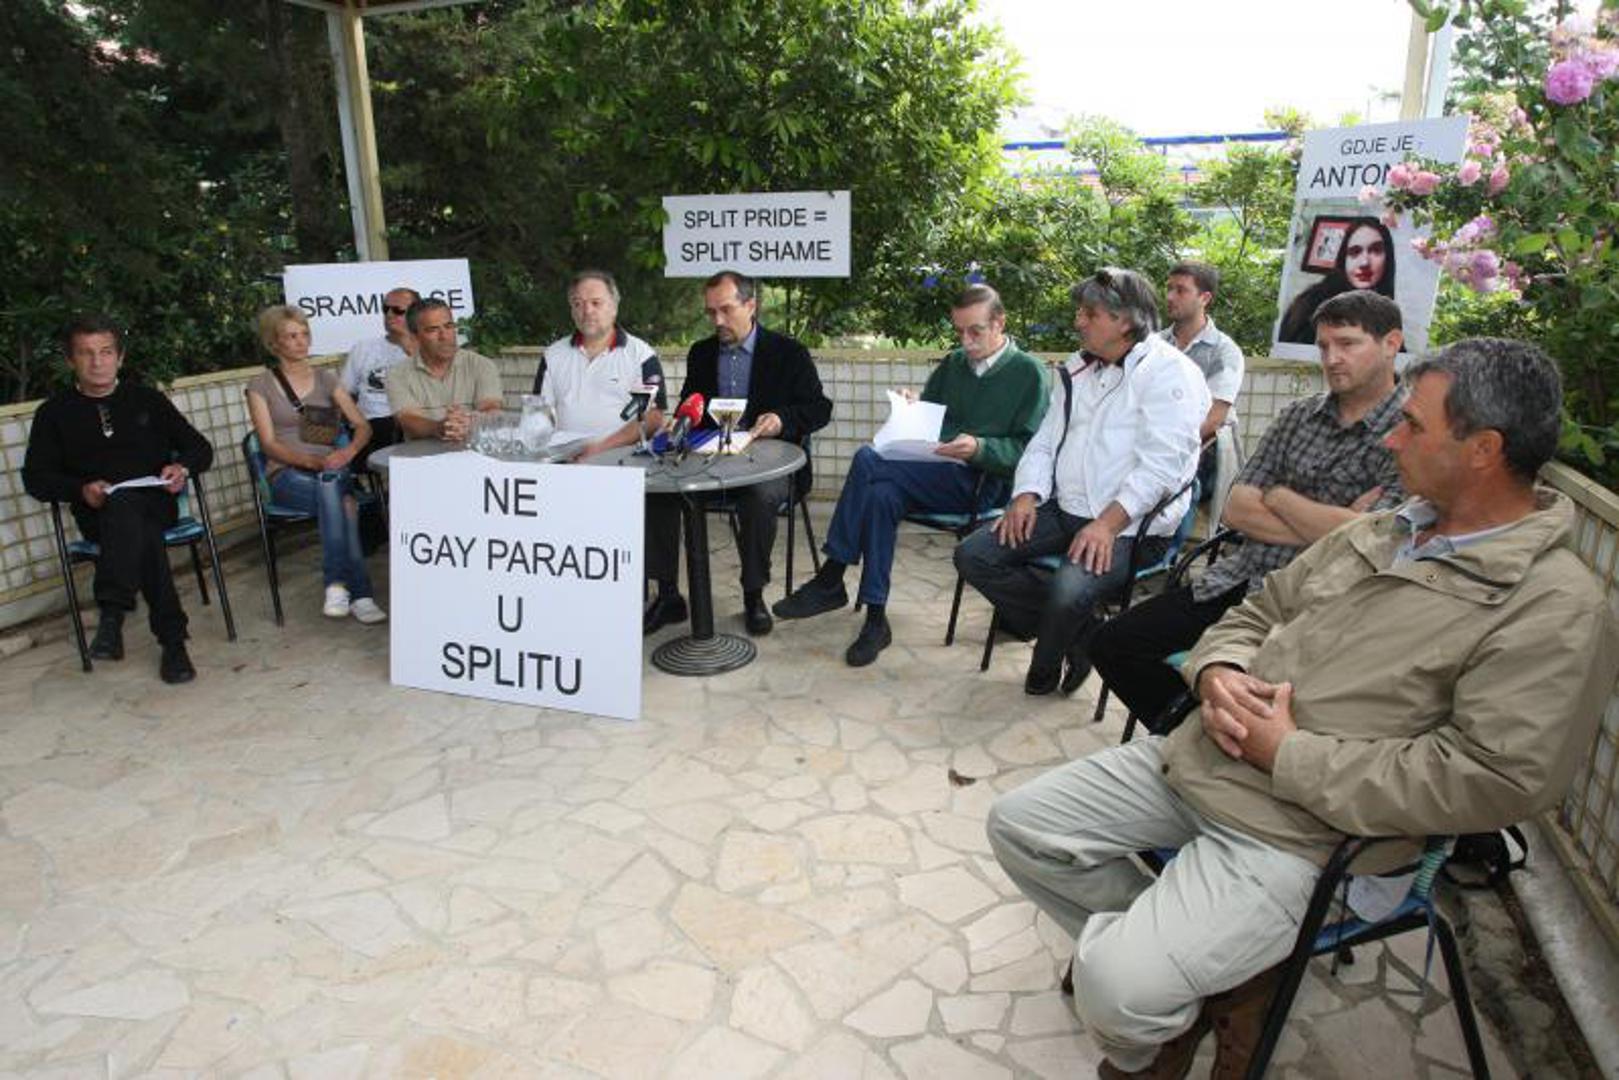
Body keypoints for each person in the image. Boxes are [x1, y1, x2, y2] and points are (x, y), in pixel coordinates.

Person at [986, 337, 1619, 1078]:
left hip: (1303, 833)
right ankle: (1218, 979)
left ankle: (1161, 1015)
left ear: (1483, 450)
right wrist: (1217, 671)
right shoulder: (1386, 529)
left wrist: (1288, 754)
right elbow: (1258, 610)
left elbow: (1497, 779)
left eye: (1413, 425)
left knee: (1114, 992)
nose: (1392, 439)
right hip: (1201, 758)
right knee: (1020, 826)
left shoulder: (1552, 606)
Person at [1091, 290, 1407, 730]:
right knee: (1112, 643)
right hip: (1241, 576)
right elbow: (1236, 509)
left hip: (1320, 604)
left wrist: (1277, 496)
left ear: (1391, 343)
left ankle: (1214, 733)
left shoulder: (1412, 432)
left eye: (1348, 344)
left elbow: (1377, 538)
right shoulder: (1298, 416)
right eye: (1323, 346)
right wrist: (1337, 523)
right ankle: (1193, 731)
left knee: (1265, 692)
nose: (1332, 358)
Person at [955, 269, 1208, 696]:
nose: (1079, 322)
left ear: (1124, 321)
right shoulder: (1078, 369)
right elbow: (1044, 441)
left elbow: (1162, 468)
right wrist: (1026, 495)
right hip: (1065, 508)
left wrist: (1106, 525)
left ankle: (1046, 663)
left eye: (1090, 314)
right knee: (974, 555)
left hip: (1130, 527)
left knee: (1068, 588)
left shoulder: (1171, 373)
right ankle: (1085, 633)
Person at [771, 284, 1048, 666]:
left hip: (981, 482)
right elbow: (930, 420)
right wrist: (914, 405)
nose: (965, 342)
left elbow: (1032, 453)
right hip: (930, 470)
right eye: (959, 331)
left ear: (1000, 323)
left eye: (975, 331)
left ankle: (832, 576)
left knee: (867, 459)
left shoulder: (1030, 373)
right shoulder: (954, 364)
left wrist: (981, 448)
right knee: (880, 495)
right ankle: (876, 618)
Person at [23, 314, 212, 684]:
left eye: (106, 352)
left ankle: (112, 613)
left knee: (132, 510)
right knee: (139, 529)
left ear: (120, 357)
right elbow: (36, 478)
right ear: (70, 360)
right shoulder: (53, 413)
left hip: (155, 502)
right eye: (86, 353)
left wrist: (181, 469)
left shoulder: (148, 399)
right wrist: (80, 490)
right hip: (98, 513)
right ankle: (173, 643)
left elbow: (199, 448)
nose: (97, 362)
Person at [643, 271, 833, 637]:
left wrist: (782, 419)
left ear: (751, 306)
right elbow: (691, 405)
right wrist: (678, 423)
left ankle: (753, 594)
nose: (717, 320)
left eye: (726, 310)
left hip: (770, 464)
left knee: (758, 497)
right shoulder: (702, 353)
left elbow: (819, 408)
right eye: (710, 312)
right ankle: (668, 595)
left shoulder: (788, 353)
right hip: (709, 460)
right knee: (658, 489)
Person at [246, 305, 385, 624]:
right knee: (346, 505)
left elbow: (362, 426)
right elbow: (268, 444)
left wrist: (347, 453)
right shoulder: (260, 385)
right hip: (287, 474)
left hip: (332, 470)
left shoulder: (326, 379)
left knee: (330, 485)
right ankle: (360, 594)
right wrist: (311, 460)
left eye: (304, 334)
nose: (301, 341)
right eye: (291, 336)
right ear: (274, 343)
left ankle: (337, 587)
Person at [532, 270, 666, 457]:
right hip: (565, 462)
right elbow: (538, 413)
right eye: (578, 304)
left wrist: (601, 447)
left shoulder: (641, 355)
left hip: (623, 462)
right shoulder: (553, 355)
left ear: (614, 307)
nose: (587, 311)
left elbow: (653, 417)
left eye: (596, 303)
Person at [1161, 262, 1244, 497]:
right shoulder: (1154, 345)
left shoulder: (1224, 351)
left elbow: (1213, 419)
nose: (1170, 297)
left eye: (1181, 290)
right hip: (1155, 451)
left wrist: (1165, 452)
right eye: (1169, 288)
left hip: (1203, 458)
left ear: (1204, 298)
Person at [386, 298, 503, 442]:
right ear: (415, 337)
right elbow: (409, 421)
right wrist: (440, 428)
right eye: (433, 330)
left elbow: (491, 408)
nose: (444, 336)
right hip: (422, 454)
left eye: (449, 326)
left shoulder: (482, 365)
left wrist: (468, 423)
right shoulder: (398, 374)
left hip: (475, 450)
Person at [1277, 216, 1396, 345]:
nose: (1364, 262)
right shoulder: (1313, 304)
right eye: (1354, 252)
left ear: (1388, 258)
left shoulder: (1385, 310)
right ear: (1343, 259)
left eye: (1376, 250)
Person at [338, 285, 419, 462]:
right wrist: (356, 422)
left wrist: (407, 342)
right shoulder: (363, 347)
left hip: (413, 421)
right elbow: (344, 393)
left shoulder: (426, 348)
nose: (389, 314)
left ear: (416, 314)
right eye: (385, 309)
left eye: (398, 310)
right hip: (371, 424)